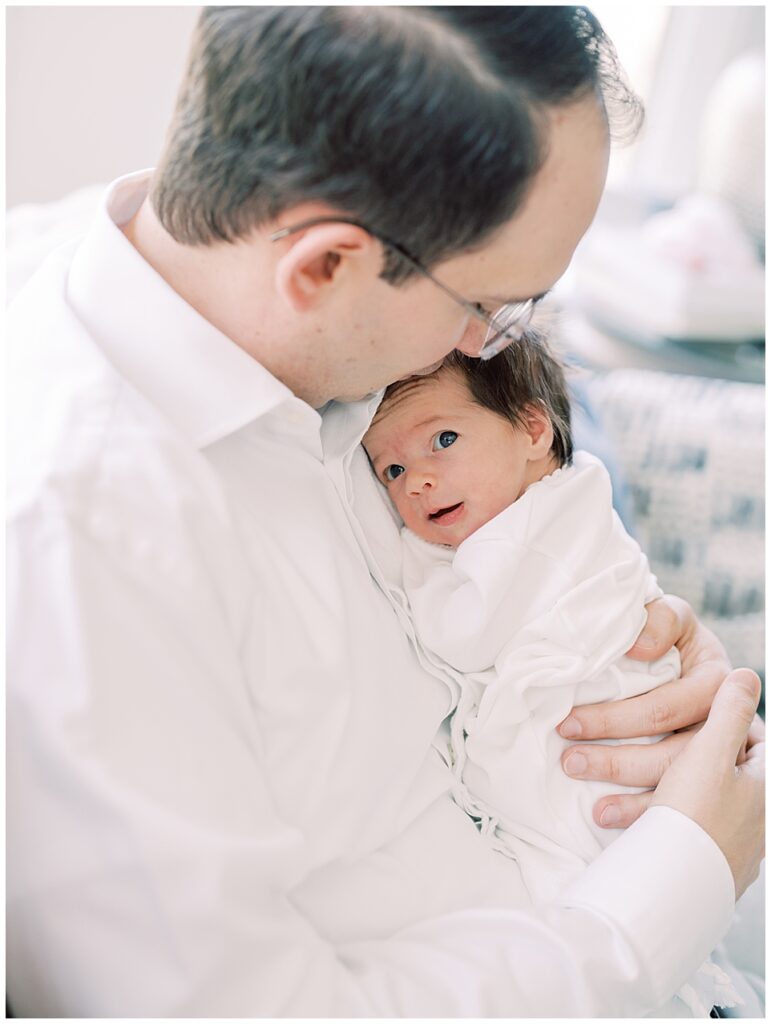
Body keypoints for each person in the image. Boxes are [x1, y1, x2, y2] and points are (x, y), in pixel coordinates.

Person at [7, 6, 763, 1017]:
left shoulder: (230, 286)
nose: (493, 343)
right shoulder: (84, 549)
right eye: (488, 309)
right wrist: (677, 877)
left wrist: (639, 646)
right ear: (322, 266)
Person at [361, 338, 756, 1015]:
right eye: (390, 471)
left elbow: (459, 635)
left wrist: (400, 565)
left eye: (442, 441)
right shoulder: (506, 511)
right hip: (609, 749)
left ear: (533, 430)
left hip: (609, 716)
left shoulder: (541, 525)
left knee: (595, 845)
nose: (416, 481)